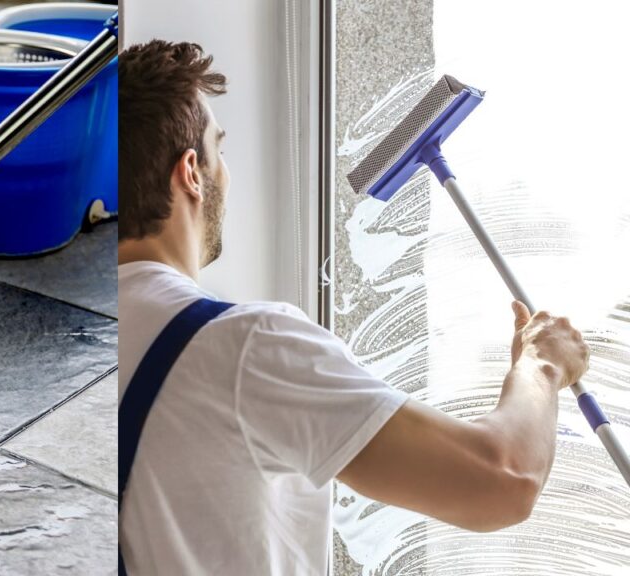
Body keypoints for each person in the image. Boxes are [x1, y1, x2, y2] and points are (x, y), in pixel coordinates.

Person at [117, 40, 591, 575]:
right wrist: (542, 364)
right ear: (191, 173)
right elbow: (502, 481)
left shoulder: (96, 336)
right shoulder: (244, 347)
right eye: (218, 149)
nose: (225, 169)